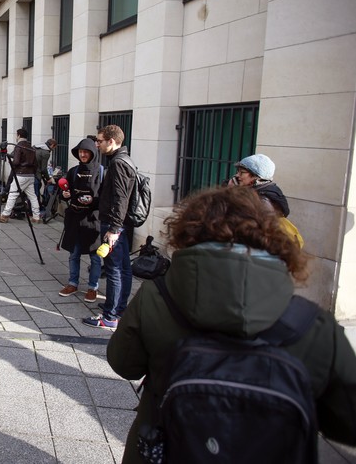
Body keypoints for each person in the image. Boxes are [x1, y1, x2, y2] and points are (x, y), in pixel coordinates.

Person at [106, 186, 356, 463]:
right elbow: (347, 420)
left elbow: (123, 363)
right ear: (271, 238)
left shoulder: (156, 296)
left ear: (189, 231)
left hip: (164, 447)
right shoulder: (312, 324)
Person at [82, 124, 136, 330]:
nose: (97, 144)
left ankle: (110, 317)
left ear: (111, 141)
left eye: (100, 141)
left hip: (115, 224)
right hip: (120, 223)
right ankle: (119, 308)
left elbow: (121, 198)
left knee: (114, 269)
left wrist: (114, 229)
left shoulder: (118, 164)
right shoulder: (124, 159)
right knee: (123, 268)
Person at [58, 137, 104, 301]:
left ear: (93, 153)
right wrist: (65, 195)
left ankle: (93, 287)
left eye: (86, 152)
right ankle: (72, 283)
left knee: (94, 256)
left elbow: (106, 197)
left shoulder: (101, 171)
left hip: (92, 220)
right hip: (75, 218)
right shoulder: (73, 170)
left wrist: (94, 202)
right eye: (80, 152)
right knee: (74, 254)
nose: (83, 154)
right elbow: (65, 191)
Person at [228, 153, 303, 247]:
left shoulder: (263, 200)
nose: (237, 175)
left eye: (241, 172)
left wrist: (231, 193)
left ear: (256, 176)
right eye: (238, 171)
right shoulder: (259, 191)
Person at [0, 128, 42, 224]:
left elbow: (16, 162)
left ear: (19, 135)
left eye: (16, 135)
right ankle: (36, 216)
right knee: (33, 196)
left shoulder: (19, 146)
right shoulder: (31, 147)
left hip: (21, 174)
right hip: (30, 175)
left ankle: (5, 215)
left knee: (12, 194)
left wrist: (12, 161)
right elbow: (36, 164)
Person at [33, 138, 57, 213]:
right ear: (52, 145)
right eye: (54, 147)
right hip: (36, 174)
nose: (54, 149)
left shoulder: (36, 147)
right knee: (36, 193)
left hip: (29, 172)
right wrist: (48, 178)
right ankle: (37, 211)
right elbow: (43, 169)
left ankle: (32, 210)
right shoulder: (46, 153)